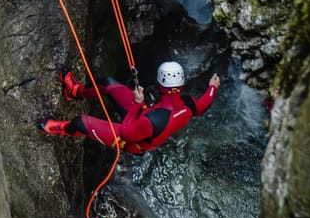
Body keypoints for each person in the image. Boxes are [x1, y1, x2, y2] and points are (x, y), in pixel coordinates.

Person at [39, 62, 220, 155]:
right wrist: (212, 87)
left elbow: (126, 134)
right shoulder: (188, 103)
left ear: (159, 84)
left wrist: (135, 103)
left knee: (79, 122)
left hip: (133, 140)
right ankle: (75, 92)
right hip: (142, 115)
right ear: (181, 83)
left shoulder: (155, 119)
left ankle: (63, 129)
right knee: (107, 83)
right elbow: (202, 106)